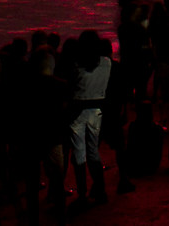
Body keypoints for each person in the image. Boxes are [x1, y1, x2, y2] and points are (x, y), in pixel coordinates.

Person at [68, 29, 113, 207]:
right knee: (93, 151)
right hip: (97, 110)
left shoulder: (76, 66)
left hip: (78, 110)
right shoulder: (107, 63)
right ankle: (100, 189)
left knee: (79, 154)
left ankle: (82, 194)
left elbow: (71, 87)